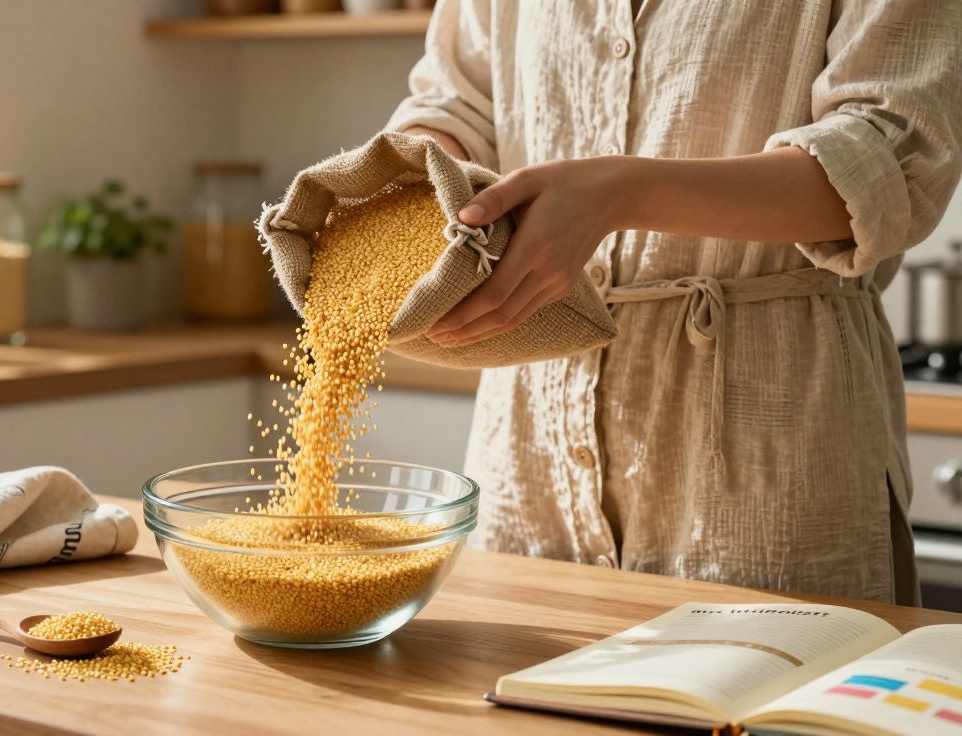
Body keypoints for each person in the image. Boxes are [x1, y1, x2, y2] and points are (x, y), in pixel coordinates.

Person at [387, 0, 962, 604]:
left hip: (768, 443)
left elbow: (891, 156)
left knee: (763, 690)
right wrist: (423, 167)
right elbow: (456, 102)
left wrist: (618, 193)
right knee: (507, 689)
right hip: (529, 448)